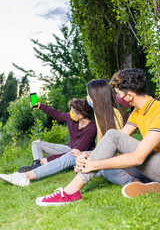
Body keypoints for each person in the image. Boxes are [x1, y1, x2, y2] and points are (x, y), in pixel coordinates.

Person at [33, 68, 160, 206]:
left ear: (129, 96)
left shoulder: (158, 111)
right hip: (152, 169)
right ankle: (151, 186)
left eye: (118, 94)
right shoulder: (137, 113)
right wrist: (88, 157)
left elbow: (138, 157)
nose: (116, 97)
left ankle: (69, 192)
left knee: (109, 145)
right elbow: (115, 141)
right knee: (109, 154)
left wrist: (94, 165)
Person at [0, 80, 148, 188]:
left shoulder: (112, 115)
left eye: (89, 94)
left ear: (96, 96)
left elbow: (114, 147)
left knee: (75, 157)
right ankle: (30, 172)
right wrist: (88, 157)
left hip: (114, 160)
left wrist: (88, 158)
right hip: (102, 156)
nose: (87, 97)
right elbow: (102, 145)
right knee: (74, 157)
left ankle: (27, 176)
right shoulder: (99, 113)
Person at [18, 98, 97, 172]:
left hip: (79, 155)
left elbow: (76, 151)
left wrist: (48, 159)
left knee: (69, 154)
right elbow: (57, 115)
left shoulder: (91, 128)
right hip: (70, 149)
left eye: (72, 112)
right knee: (36, 144)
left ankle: (37, 169)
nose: (70, 113)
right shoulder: (71, 118)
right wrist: (40, 106)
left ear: (80, 116)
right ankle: (37, 166)